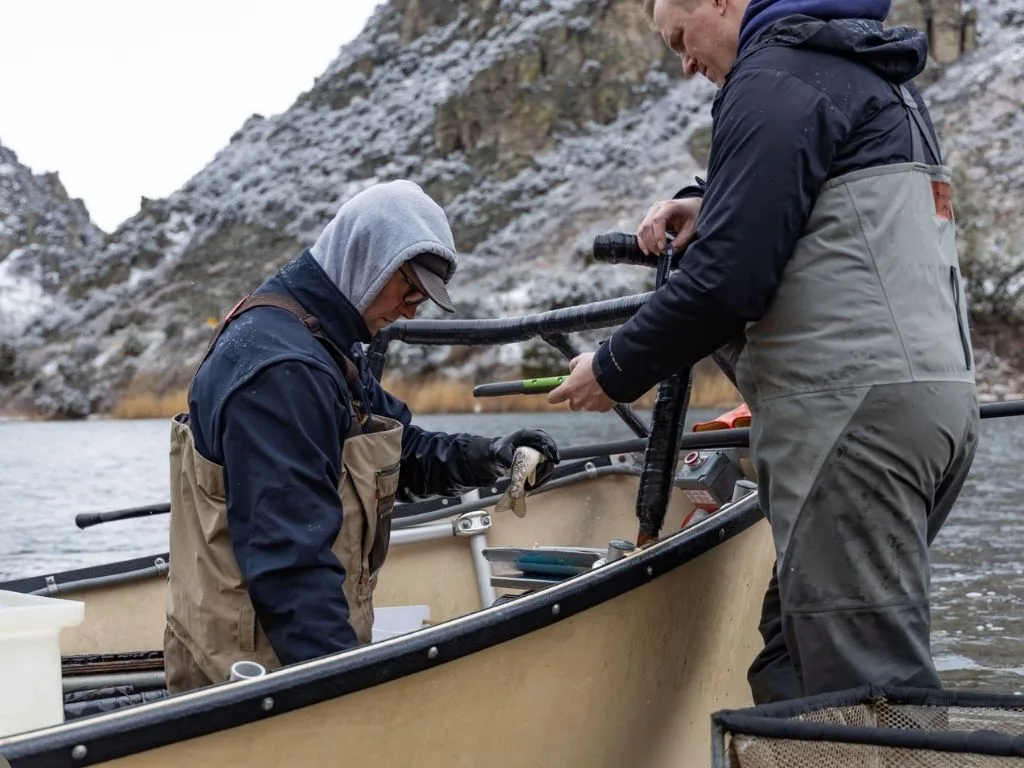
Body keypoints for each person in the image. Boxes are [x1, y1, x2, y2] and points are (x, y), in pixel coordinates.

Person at [549, 0, 980, 703]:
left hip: (850, 422)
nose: (685, 64)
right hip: (932, 409)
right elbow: (831, 200)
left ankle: (887, 752)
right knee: (792, 661)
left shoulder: (773, 75)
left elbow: (728, 281)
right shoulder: (861, 67)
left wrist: (613, 368)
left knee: (863, 686)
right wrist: (715, 203)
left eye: (681, 38)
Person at [163, 179, 560, 693]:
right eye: (409, 290)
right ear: (369, 258)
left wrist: (491, 456)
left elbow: (399, 451)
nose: (411, 310)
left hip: (282, 659)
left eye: (422, 299)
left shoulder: (321, 341)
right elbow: (291, 568)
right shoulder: (285, 371)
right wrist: (351, 693)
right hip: (257, 679)